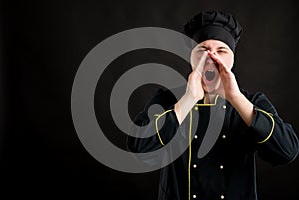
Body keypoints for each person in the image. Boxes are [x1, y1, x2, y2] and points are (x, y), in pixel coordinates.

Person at [127, 10, 299, 200]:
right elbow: (138, 147)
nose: (211, 58)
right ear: (191, 58)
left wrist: (235, 97)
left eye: (221, 51)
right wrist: (188, 99)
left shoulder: (251, 103)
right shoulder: (168, 99)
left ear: (232, 59)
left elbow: (287, 151)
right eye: (202, 50)